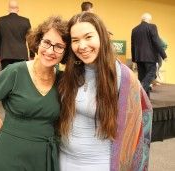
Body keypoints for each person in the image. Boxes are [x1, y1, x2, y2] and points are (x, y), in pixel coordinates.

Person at [57, 12, 153, 171]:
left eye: (88, 37)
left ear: (101, 36)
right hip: (64, 160)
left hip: (100, 164)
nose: (82, 46)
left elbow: (143, 116)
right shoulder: (70, 73)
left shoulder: (123, 77)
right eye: (75, 40)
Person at [0, 16, 69, 171]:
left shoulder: (63, 80)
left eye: (59, 46)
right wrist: (5, 130)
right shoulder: (14, 71)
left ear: (65, 53)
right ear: (38, 41)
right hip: (11, 153)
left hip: (45, 155)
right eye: (46, 42)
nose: (50, 51)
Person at [131, 12, 167, 97]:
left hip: (138, 57)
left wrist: (134, 59)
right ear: (149, 19)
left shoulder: (134, 29)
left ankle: (145, 101)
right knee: (151, 73)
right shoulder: (152, 27)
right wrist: (164, 55)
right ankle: (140, 88)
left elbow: (132, 45)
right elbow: (156, 41)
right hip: (150, 57)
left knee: (142, 77)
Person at [0, 0, 33, 70]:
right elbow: (31, 39)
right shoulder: (25, 21)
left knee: (8, 78)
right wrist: (32, 55)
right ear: (18, 9)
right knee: (20, 78)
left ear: (8, 9)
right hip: (22, 56)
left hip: (6, 56)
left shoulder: (1, 20)